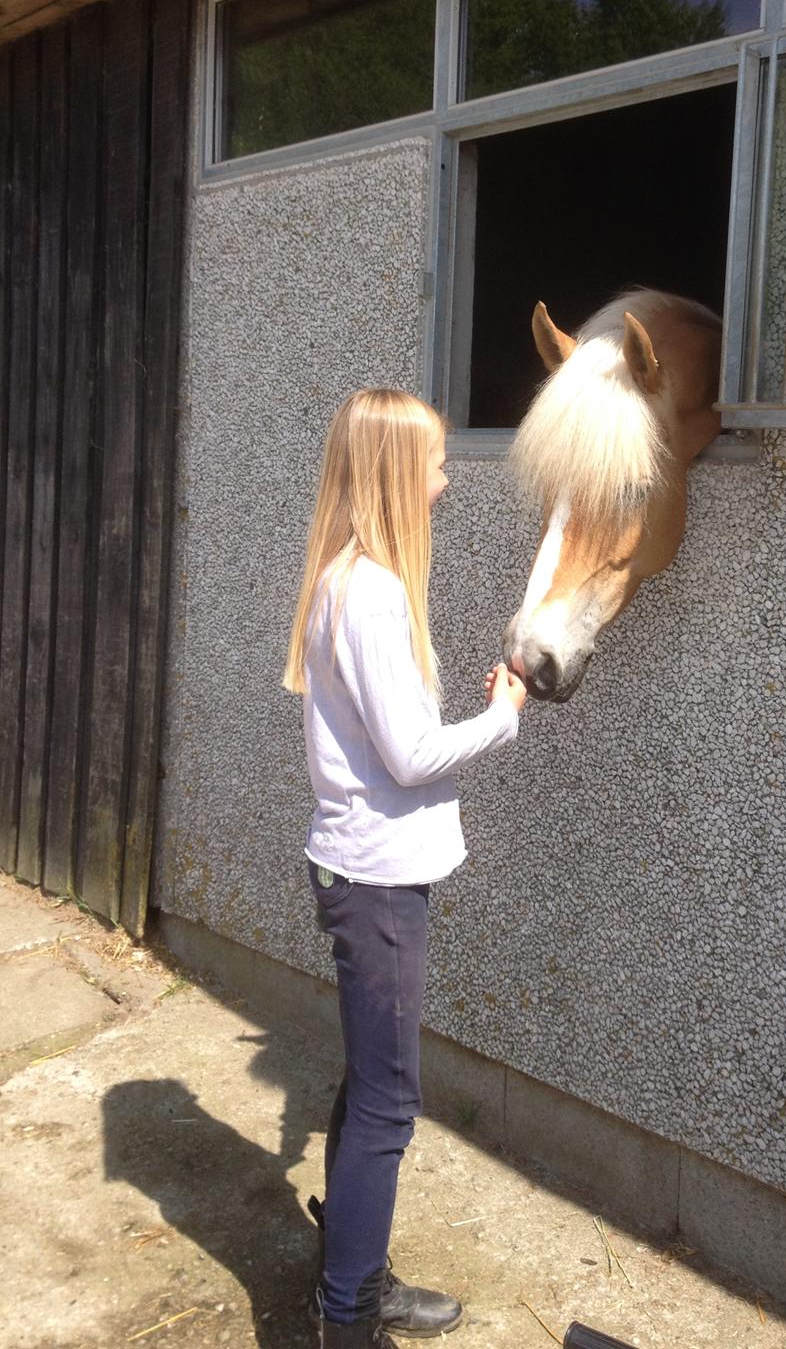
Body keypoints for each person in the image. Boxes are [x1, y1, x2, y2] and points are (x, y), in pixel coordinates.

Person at [282, 388, 527, 1348]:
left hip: (365, 875)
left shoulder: (349, 580)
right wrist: (502, 717)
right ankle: (348, 1318)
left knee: (368, 1086)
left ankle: (353, 1278)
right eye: (434, 463)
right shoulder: (372, 594)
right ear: (393, 475)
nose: (444, 481)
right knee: (388, 1107)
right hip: (377, 885)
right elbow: (413, 755)